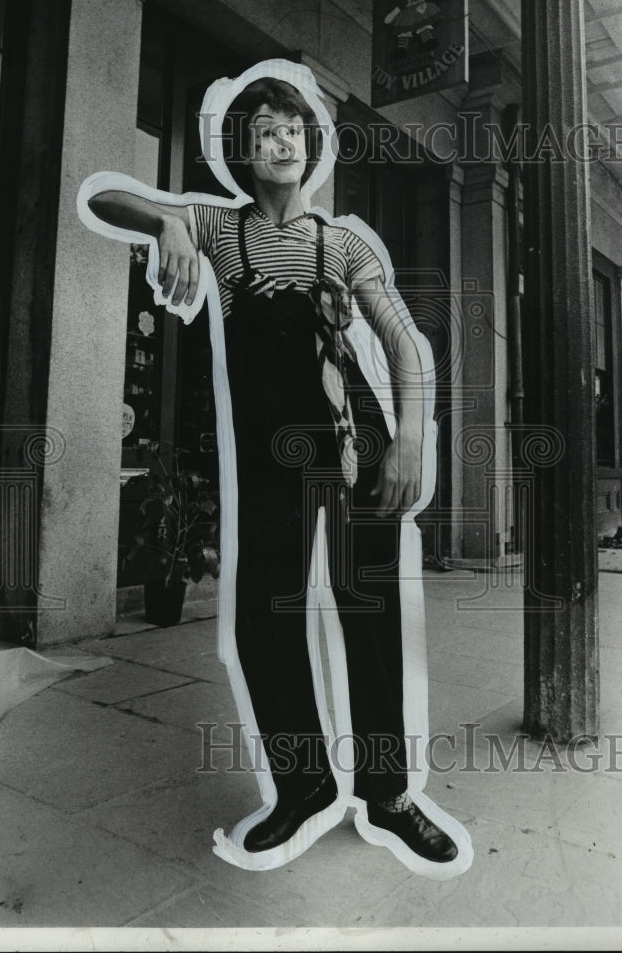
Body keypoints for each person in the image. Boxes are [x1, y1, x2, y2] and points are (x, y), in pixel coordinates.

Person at [79, 60, 473, 878]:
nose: (282, 141)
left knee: (367, 612)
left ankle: (391, 796)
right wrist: (171, 224)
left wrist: (412, 438)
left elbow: (405, 343)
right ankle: (300, 789)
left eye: (293, 130)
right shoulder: (223, 230)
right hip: (269, 445)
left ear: (312, 144)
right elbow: (106, 200)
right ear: (244, 152)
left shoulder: (346, 239)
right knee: (265, 612)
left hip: (357, 434)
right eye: (265, 133)